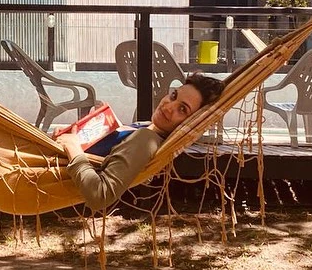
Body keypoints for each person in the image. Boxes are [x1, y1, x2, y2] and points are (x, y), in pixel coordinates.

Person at [55, 73, 225, 211]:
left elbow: (101, 195)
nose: (168, 106)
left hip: (45, 173)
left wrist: (72, 147)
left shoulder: (146, 140)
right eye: (173, 96)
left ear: (191, 123)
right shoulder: (147, 127)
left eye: (182, 109)